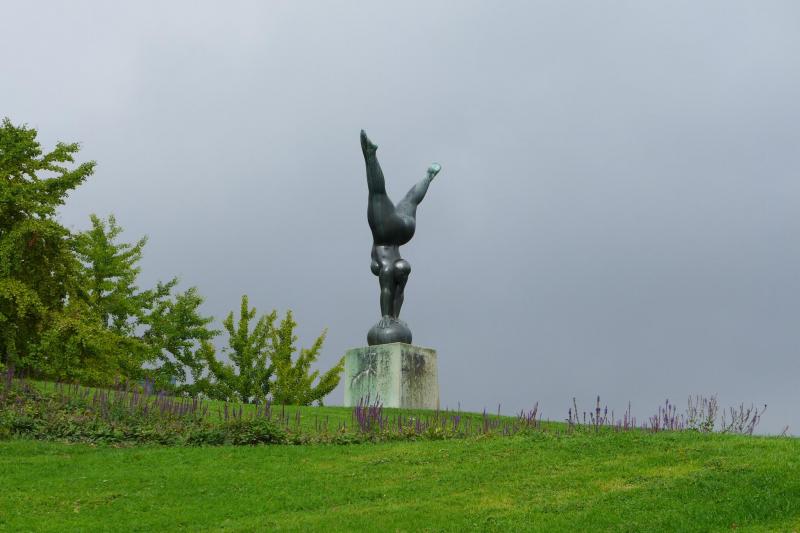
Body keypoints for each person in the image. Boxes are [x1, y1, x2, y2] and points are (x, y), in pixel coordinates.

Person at [360, 129, 441, 343]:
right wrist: (393, 318)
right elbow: (396, 291)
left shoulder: (384, 265)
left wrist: (387, 318)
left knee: (382, 195)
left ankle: (371, 156)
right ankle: (428, 176)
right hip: (401, 230)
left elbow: (386, 286)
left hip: (391, 232)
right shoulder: (393, 266)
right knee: (406, 200)